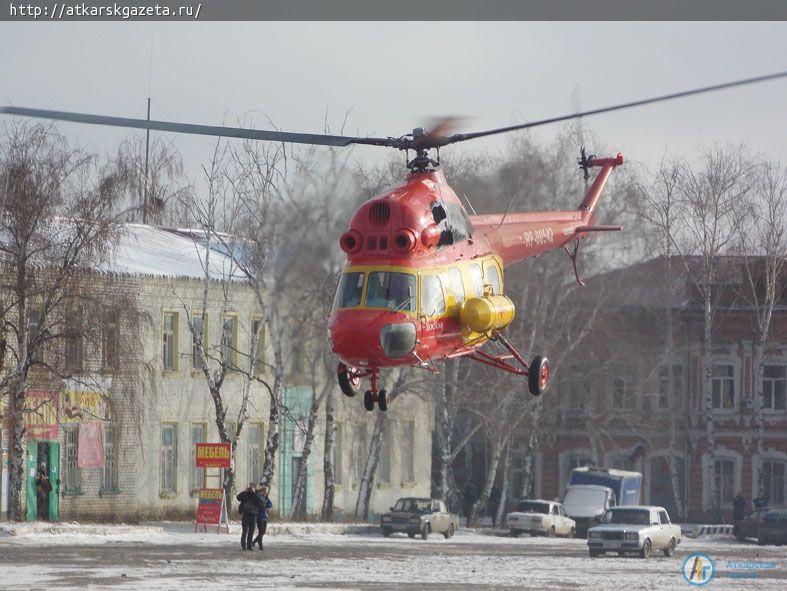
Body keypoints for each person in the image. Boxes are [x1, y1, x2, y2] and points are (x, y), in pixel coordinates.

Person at [236, 483, 263, 551]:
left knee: (251, 531)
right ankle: (243, 545)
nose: (252, 488)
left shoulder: (257, 494)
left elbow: (260, 502)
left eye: (253, 487)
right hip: (246, 513)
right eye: (251, 487)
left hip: (253, 514)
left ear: (255, 488)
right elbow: (238, 497)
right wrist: (245, 491)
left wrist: (254, 493)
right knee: (245, 530)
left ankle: (249, 545)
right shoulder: (245, 493)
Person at [252, 484, 274, 550]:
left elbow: (270, 504)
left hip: (265, 516)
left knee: (263, 532)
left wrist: (265, 504)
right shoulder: (259, 496)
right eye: (266, 491)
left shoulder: (266, 497)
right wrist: (264, 504)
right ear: (263, 491)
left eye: (267, 492)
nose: (266, 493)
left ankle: (255, 542)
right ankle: (259, 545)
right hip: (259, 516)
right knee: (261, 531)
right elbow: (260, 505)